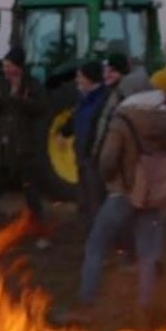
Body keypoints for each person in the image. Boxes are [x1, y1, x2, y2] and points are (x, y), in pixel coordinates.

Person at [75, 72, 166, 320]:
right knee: (148, 253)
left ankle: (86, 302)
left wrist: (112, 179)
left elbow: (108, 158)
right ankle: (145, 304)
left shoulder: (123, 119)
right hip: (154, 196)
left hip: (123, 193)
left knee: (96, 245)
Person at [0, 46, 49, 243]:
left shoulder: (32, 85)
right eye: (4, 65)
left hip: (24, 149)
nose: (6, 69)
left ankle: (41, 235)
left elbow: (41, 108)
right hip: (0, 149)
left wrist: (19, 98)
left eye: (9, 65)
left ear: (19, 66)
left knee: (31, 194)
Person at [66, 63, 107, 223]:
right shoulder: (83, 98)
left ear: (89, 79)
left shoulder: (102, 100)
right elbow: (78, 119)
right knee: (84, 196)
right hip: (82, 155)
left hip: (93, 157)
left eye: (80, 76)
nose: (77, 79)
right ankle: (86, 228)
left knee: (95, 197)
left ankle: (98, 235)